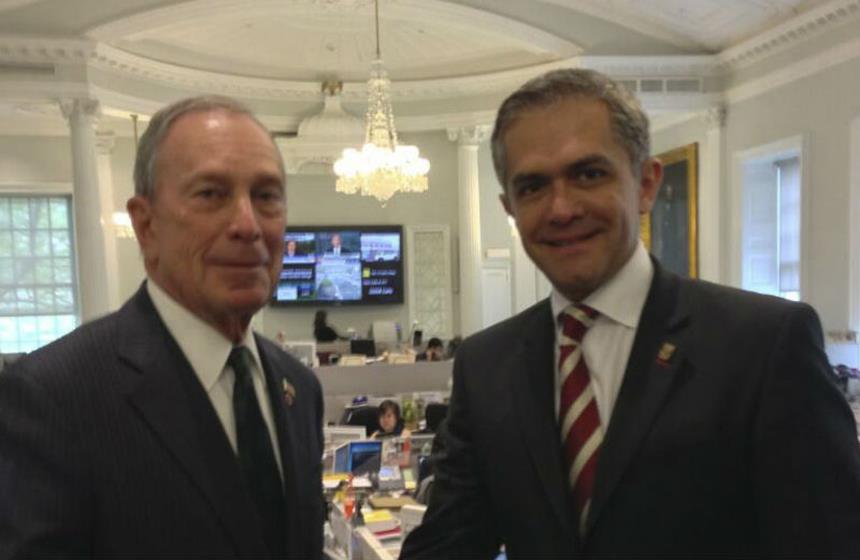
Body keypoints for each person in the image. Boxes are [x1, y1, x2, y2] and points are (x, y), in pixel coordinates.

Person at [401, 68, 860, 558]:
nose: (561, 209)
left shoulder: (764, 345)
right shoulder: (487, 365)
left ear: (646, 184)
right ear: (510, 208)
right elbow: (446, 545)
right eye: (532, 186)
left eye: (588, 174)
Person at [0, 96, 325, 559]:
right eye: (211, 194)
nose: (248, 224)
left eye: (266, 196)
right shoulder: (54, 398)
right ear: (146, 224)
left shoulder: (300, 389)